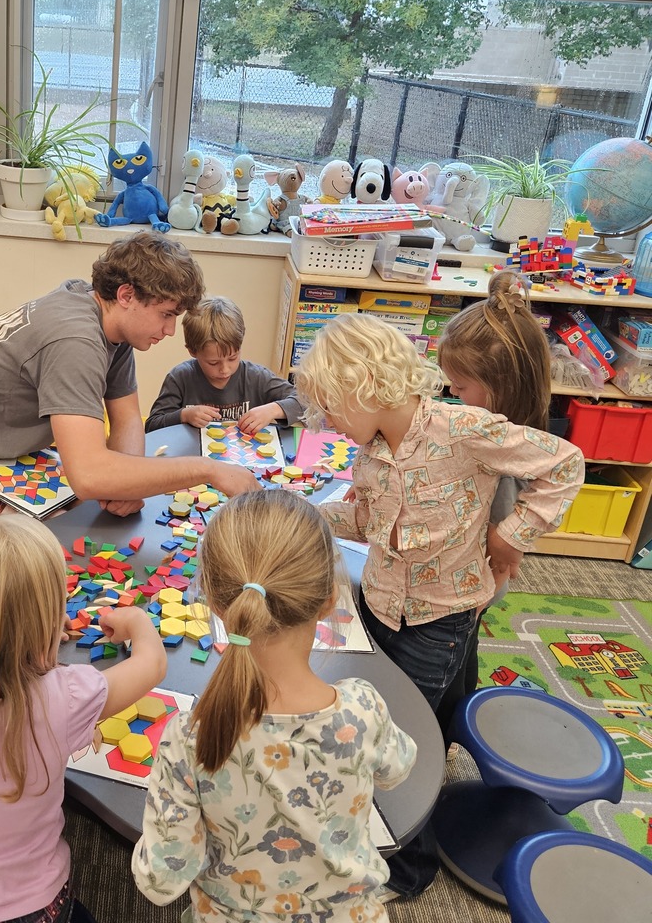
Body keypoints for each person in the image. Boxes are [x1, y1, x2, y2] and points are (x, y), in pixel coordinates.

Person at [294, 312, 583, 898]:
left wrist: (513, 533)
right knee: (382, 723)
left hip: (438, 619)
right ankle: (372, 829)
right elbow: (370, 521)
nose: (325, 421)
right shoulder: (370, 455)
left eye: (331, 406)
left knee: (404, 747)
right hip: (378, 605)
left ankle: (408, 868)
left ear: (362, 387)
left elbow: (564, 465)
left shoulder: (459, 428)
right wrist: (301, 508)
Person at [132, 488, 417, 922]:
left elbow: (160, 883)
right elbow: (397, 770)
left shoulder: (190, 737)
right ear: (328, 602)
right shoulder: (363, 708)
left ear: (213, 602)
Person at [0, 230, 261, 533]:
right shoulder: (76, 340)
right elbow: (91, 475)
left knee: (91, 498)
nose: (168, 330)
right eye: (165, 314)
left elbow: (128, 418)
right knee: (42, 541)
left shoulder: (108, 317)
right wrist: (209, 469)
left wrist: (124, 488)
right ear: (127, 295)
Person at [0, 513, 167, 923]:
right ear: (42, 627)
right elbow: (152, 663)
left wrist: (30, 634)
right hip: (28, 910)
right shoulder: (65, 698)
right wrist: (138, 621)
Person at [434, 269, 553, 735]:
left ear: (501, 384)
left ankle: (448, 735)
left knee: (452, 665)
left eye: (461, 388)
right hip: (467, 581)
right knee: (461, 660)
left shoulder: (509, 451)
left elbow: (506, 546)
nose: (452, 395)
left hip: (472, 587)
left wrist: (504, 548)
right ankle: (457, 713)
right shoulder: (495, 425)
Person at [144, 295, 304, 433]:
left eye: (233, 358)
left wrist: (273, 410)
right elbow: (152, 426)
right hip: (194, 462)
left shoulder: (256, 377)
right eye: (213, 363)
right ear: (193, 351)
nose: (225, 369)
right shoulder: (180, 377)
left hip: (243, 460)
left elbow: (306, 402)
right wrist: (184, 415)